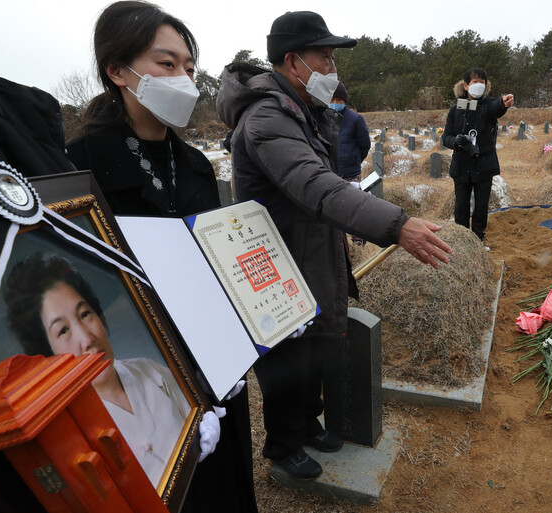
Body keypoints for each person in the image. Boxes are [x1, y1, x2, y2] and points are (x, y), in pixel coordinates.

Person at [217, 10, 452, 481]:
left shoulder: (301, 109)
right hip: (277, 260)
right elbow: (317, 185)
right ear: (293, 62)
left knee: (314, 348)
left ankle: (307, 423)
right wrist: (396, 224)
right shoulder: (266, 118)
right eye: (324, 58)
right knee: (286, 355)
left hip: (308, 250)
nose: (332, 68)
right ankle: (283, 444)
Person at [65, 2, 257, 512]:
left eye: (190, 68)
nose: (185, 80)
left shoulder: (192, 163)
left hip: (215, 359)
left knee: (230, 484)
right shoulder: (79, 169)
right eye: (166, 64)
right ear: (117, 70)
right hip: (153, 371)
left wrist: (258, 311)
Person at [3, 253, 190, 487]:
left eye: (85, 314)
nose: (87, 339)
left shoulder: (150, 370)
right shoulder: (68, 439)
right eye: (63, 330)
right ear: (47, 353)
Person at [441, 68, 514, 244]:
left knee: (481, 206)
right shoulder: (455, 109)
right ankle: (462, 240)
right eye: (475, 82)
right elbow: (446, 137)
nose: (479, 85)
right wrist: (455, 142)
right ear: (466, 85)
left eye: (483, 82)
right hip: (461, 165)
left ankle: (479, 239)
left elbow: (496, 108)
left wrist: (503, 103)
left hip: (483, 165)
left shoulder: (488, 105)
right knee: (461, 207)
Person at [330, 81, 370, 184]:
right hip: (329, 173)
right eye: (332, 99)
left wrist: (353, 161)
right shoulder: (324, 117)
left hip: (350, 174)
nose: (334, 103)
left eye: (338, 100)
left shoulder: (355, 119)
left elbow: (364, 145)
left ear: (344, 101)